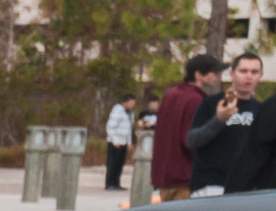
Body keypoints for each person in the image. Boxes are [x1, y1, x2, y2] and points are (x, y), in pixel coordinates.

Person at [184, 50, 273, 197]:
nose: (249, 76)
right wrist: (219, 120)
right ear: (232, 74)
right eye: (243, 71)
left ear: (261, 76)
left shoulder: (261, 109)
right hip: (211, 184)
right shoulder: (212, 103)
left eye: (254, 72)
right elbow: (192, 141)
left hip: (245, 188)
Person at [152, 54, 222, 200]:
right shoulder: (196, 100)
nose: (218, 76)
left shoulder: (171, 94)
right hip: (185, 177)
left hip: (165, 176)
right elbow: (192, 140)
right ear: (198, 75)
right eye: (214, 72)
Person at [103, 93, 135, 191]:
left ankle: (116, 183)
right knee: (112, 163)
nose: (133, 105)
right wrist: (115, 140)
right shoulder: (117, 111)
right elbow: (110, 127)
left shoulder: (130, 114)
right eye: (131, 103)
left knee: (120, 164)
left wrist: (129, 141)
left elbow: (129, 129)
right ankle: (110, 183)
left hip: (124, 141)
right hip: (115, 142)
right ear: (126, 102)